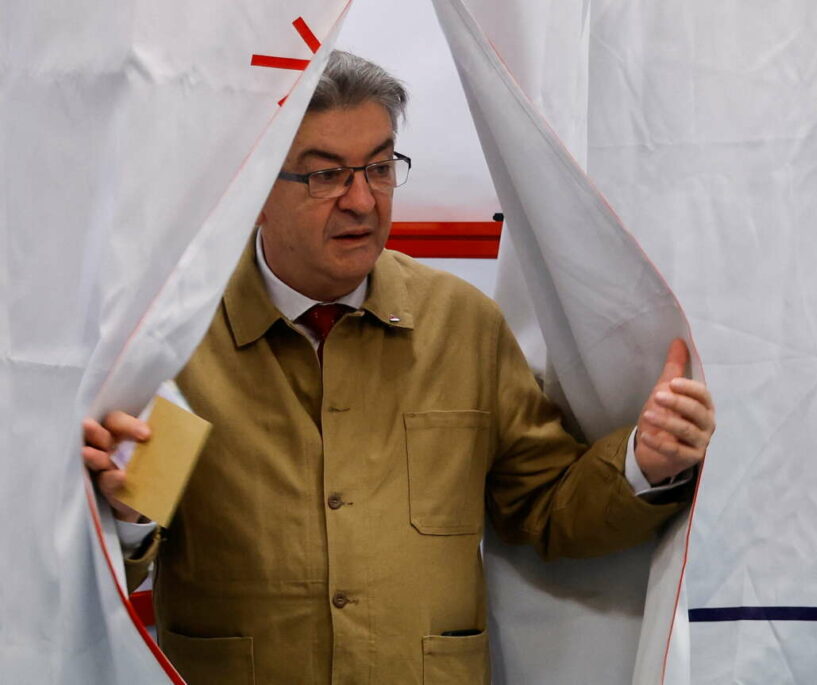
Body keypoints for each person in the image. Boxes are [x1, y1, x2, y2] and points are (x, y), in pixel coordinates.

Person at [83, 50, 715, 684]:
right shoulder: (180, 340)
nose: (362, 200)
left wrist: (645, 461)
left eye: (380, 167)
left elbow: (544, 504)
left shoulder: (462, 326)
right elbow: (115, 563)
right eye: (326, 175)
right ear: (254, 188)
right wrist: (127, 518)